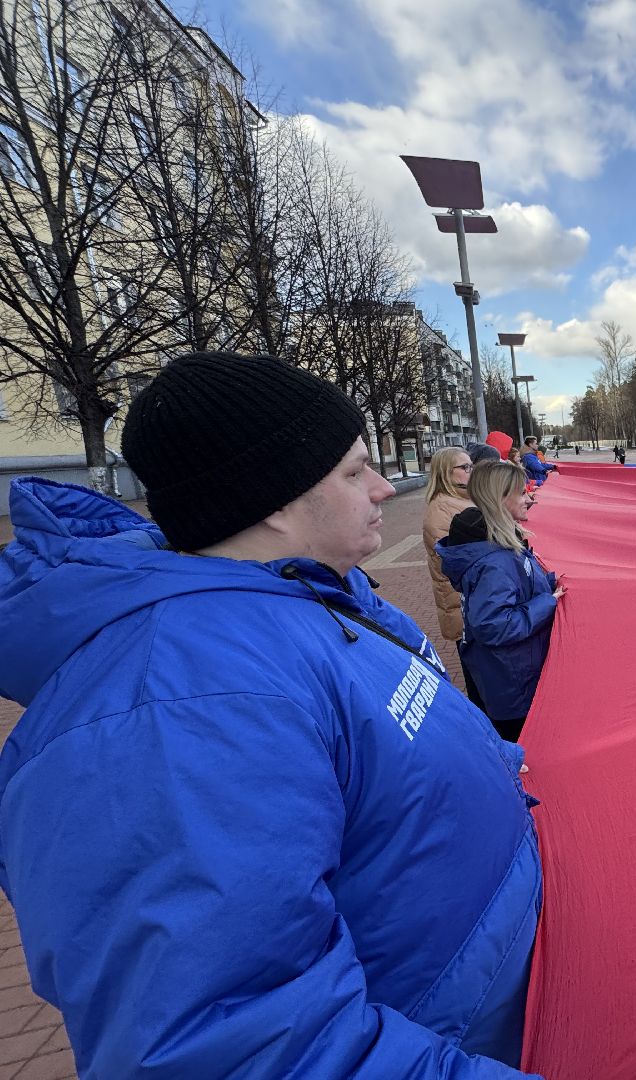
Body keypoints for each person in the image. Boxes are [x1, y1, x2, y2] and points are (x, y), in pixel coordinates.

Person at [0, 352, 542, 1077]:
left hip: (491, 1000)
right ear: (274, 501)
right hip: (453, 1043)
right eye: (354, 471)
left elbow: (391, 759)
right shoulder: (176, 706)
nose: (384, 488)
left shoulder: (314, 597)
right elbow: (232, 1046)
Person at [441, 460, 563, 745]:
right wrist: (548, 602)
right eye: (521, 492)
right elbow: (493, 625)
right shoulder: (496, 561)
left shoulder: (501, 547)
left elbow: (519, 587)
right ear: (500, 499)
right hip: (513, 682)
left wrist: (550, 584)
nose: (529, 498)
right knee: (522, 748)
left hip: (512, 674)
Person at [423, 446, 487, 708]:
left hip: (472, 604)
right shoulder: (442, 510)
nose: (471, 471)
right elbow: (456, 563)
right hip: (463, 607)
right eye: (464, 467)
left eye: (471, 465)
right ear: (445, 473)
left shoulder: (463, 500)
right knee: (481, 684)